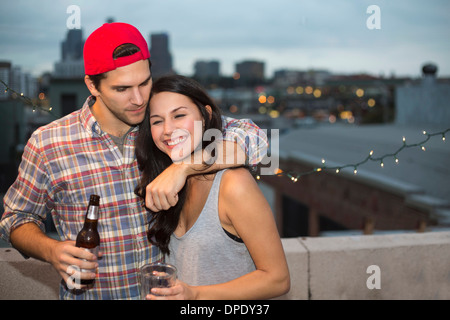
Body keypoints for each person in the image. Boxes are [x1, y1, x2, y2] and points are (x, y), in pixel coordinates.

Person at [0, 22, 268, 300]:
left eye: (144, 82)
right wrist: (52, 250)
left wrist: (184, 167)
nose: (139, 99)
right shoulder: (48, 143)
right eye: (122, 89)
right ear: (93, 85)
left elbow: (259, 142)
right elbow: (15, 218)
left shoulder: (163, 125)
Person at [135, 75, 290, 300]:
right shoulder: (170, 181)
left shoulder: (233, 183)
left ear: (205, 116)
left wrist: (195, 295)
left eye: (179, 115)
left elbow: (278, 279)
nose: (167, 130)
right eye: (157, 121)